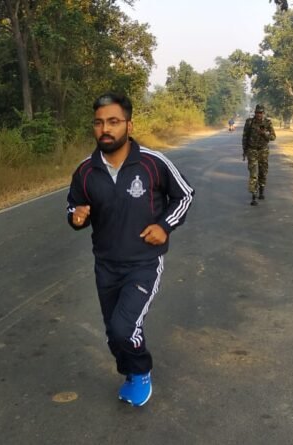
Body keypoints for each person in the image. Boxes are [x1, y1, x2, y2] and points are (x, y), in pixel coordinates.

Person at [66, 92, 194, 407]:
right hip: (105, 264)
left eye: (113, 121)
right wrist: (77, 217)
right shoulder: (85, 171)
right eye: (99, 123)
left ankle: (140, 371)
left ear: (129, 125)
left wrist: (164, 226)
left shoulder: (152, 163)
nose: (105, 129)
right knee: (114, 332)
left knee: (124, 328)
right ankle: (130, 372)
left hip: (144, 263)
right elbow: (74, 207)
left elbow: (184, 195)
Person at [241, 104, 276, 205]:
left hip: (263, 151)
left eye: (260, 112)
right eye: (257, 112)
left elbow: (273, 137)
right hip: (252, 150)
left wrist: (265, 133)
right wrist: (244, 150)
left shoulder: (267, 122)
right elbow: (245, 137)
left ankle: (261, 189)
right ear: (255, 112)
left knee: (263, 172)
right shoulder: (249, 122)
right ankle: (254, 196)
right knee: (253, 173)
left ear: (263, 113)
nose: (259, 114)